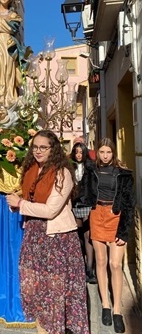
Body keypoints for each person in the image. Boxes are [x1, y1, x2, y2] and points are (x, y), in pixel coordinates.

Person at [6, 130, 89, 334]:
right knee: (35, 292)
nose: (38, 151)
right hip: (34, 237)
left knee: (54, 295)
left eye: (43, 147)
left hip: (57, 241)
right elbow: (30, 198)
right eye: (35, 147)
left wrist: (21, 204)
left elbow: (51, 210)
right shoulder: (32, 170)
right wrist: (17, 203)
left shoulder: (62, 173)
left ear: (53, 149)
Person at [82, 138, 136, 334]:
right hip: (97, 215)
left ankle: (118, 310)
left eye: (108, 152)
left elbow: (130, 203)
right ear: (98, 152)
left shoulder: (123, 174)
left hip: (116, 216)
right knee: (101, 261)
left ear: (113, 153)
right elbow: (83, 193)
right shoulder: (91, 171)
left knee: (115, 264)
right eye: (102, 152)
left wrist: (124, 230)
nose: (105, 155)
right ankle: (105, 304)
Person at [70, 141, 97, 284]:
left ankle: (89, 269)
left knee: (88, 236)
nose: (79, 155)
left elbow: (94, 186)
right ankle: (79, 266)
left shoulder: (90, 167)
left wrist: (92, 202)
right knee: (77, 235)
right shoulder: (69, 167)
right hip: (74, 204)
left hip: (87, 203)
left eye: (81, 152)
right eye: (76, 152)